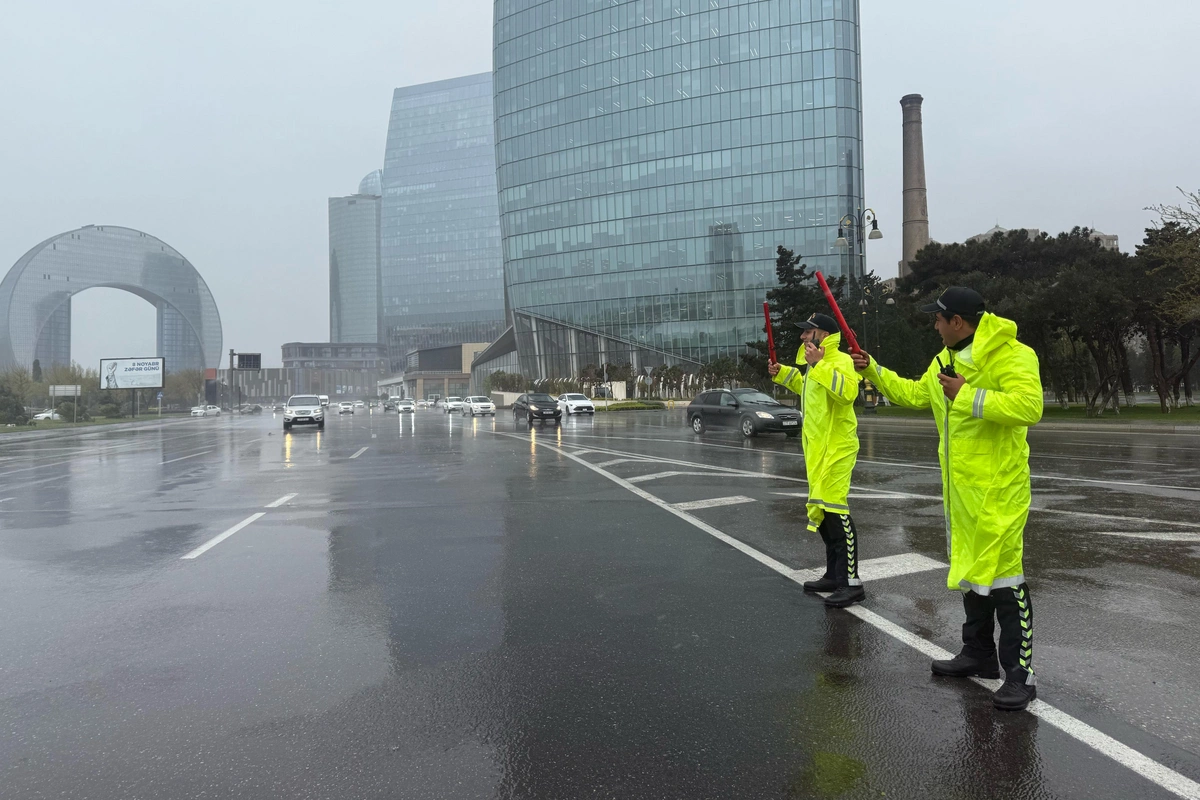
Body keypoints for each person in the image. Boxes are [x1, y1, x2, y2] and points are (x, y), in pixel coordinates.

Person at [850, 287, 1042, 711]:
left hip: (1000, 490)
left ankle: (1021, 676)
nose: (934, 326)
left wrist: (968, 395)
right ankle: (978, 655)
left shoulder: (1012, 354)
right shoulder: (944, 360)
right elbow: (917, 395)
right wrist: (874, 371)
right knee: (972, 574)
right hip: (960, 494)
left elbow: (1030, 407)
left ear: (958, 321)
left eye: (938, 320)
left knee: (1006, 580)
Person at [768, 312, 864, 608]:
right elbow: (806, 386)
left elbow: (848, 393)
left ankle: (852, 582)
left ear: (821, 334)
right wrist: (783, 373)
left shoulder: (838, 361)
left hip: (837, 448)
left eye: (806, 332)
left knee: (836, 513)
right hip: (818, 451)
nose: (802, 337)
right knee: (823, 514)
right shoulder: (815, 366)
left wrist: (819, 365)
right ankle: (834, 575)